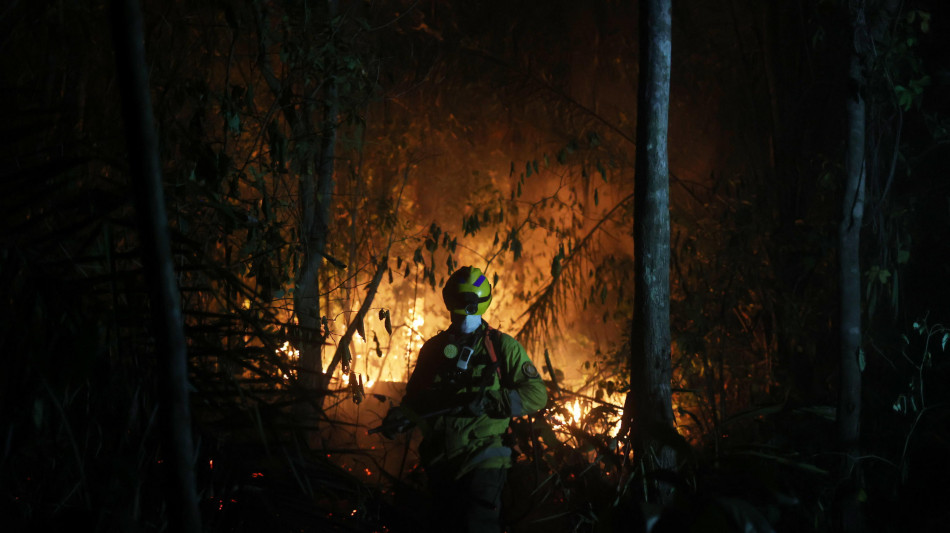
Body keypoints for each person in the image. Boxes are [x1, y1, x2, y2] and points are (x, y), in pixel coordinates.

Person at [382, 266, 548, 533]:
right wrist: (401, 418)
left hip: (484, 457)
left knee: (476, 524)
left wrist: (490, 401)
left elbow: (537, 395)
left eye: (466, 304)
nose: (461, 311)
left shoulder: (503, 347)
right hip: (440, 461)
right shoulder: (434, 349)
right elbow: (416, 401)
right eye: (455, 303)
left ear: (480, 304)